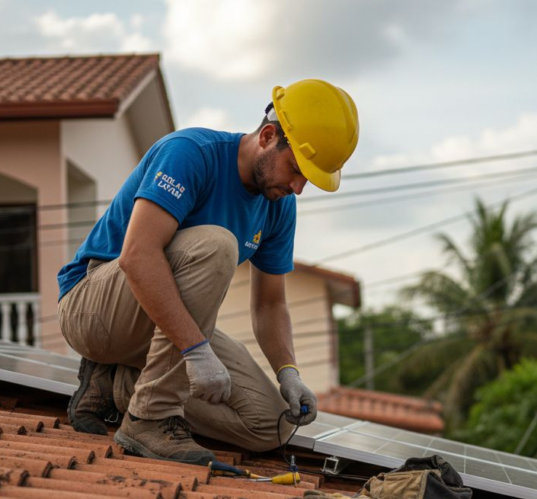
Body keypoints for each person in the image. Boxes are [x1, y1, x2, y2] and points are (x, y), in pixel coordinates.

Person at [56, 79, 359, 465]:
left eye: (308, 180)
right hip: (94, 308)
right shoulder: (190, 153)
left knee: (271, 426)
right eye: (297, 170)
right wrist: (196, 350)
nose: (298, 187)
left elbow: (269, 305)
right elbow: (137, 256)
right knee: (218, 245)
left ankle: (121, 386)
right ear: (268, 136)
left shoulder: (278, 204)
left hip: (162, 327)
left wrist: (289, 373)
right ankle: (150, 418)